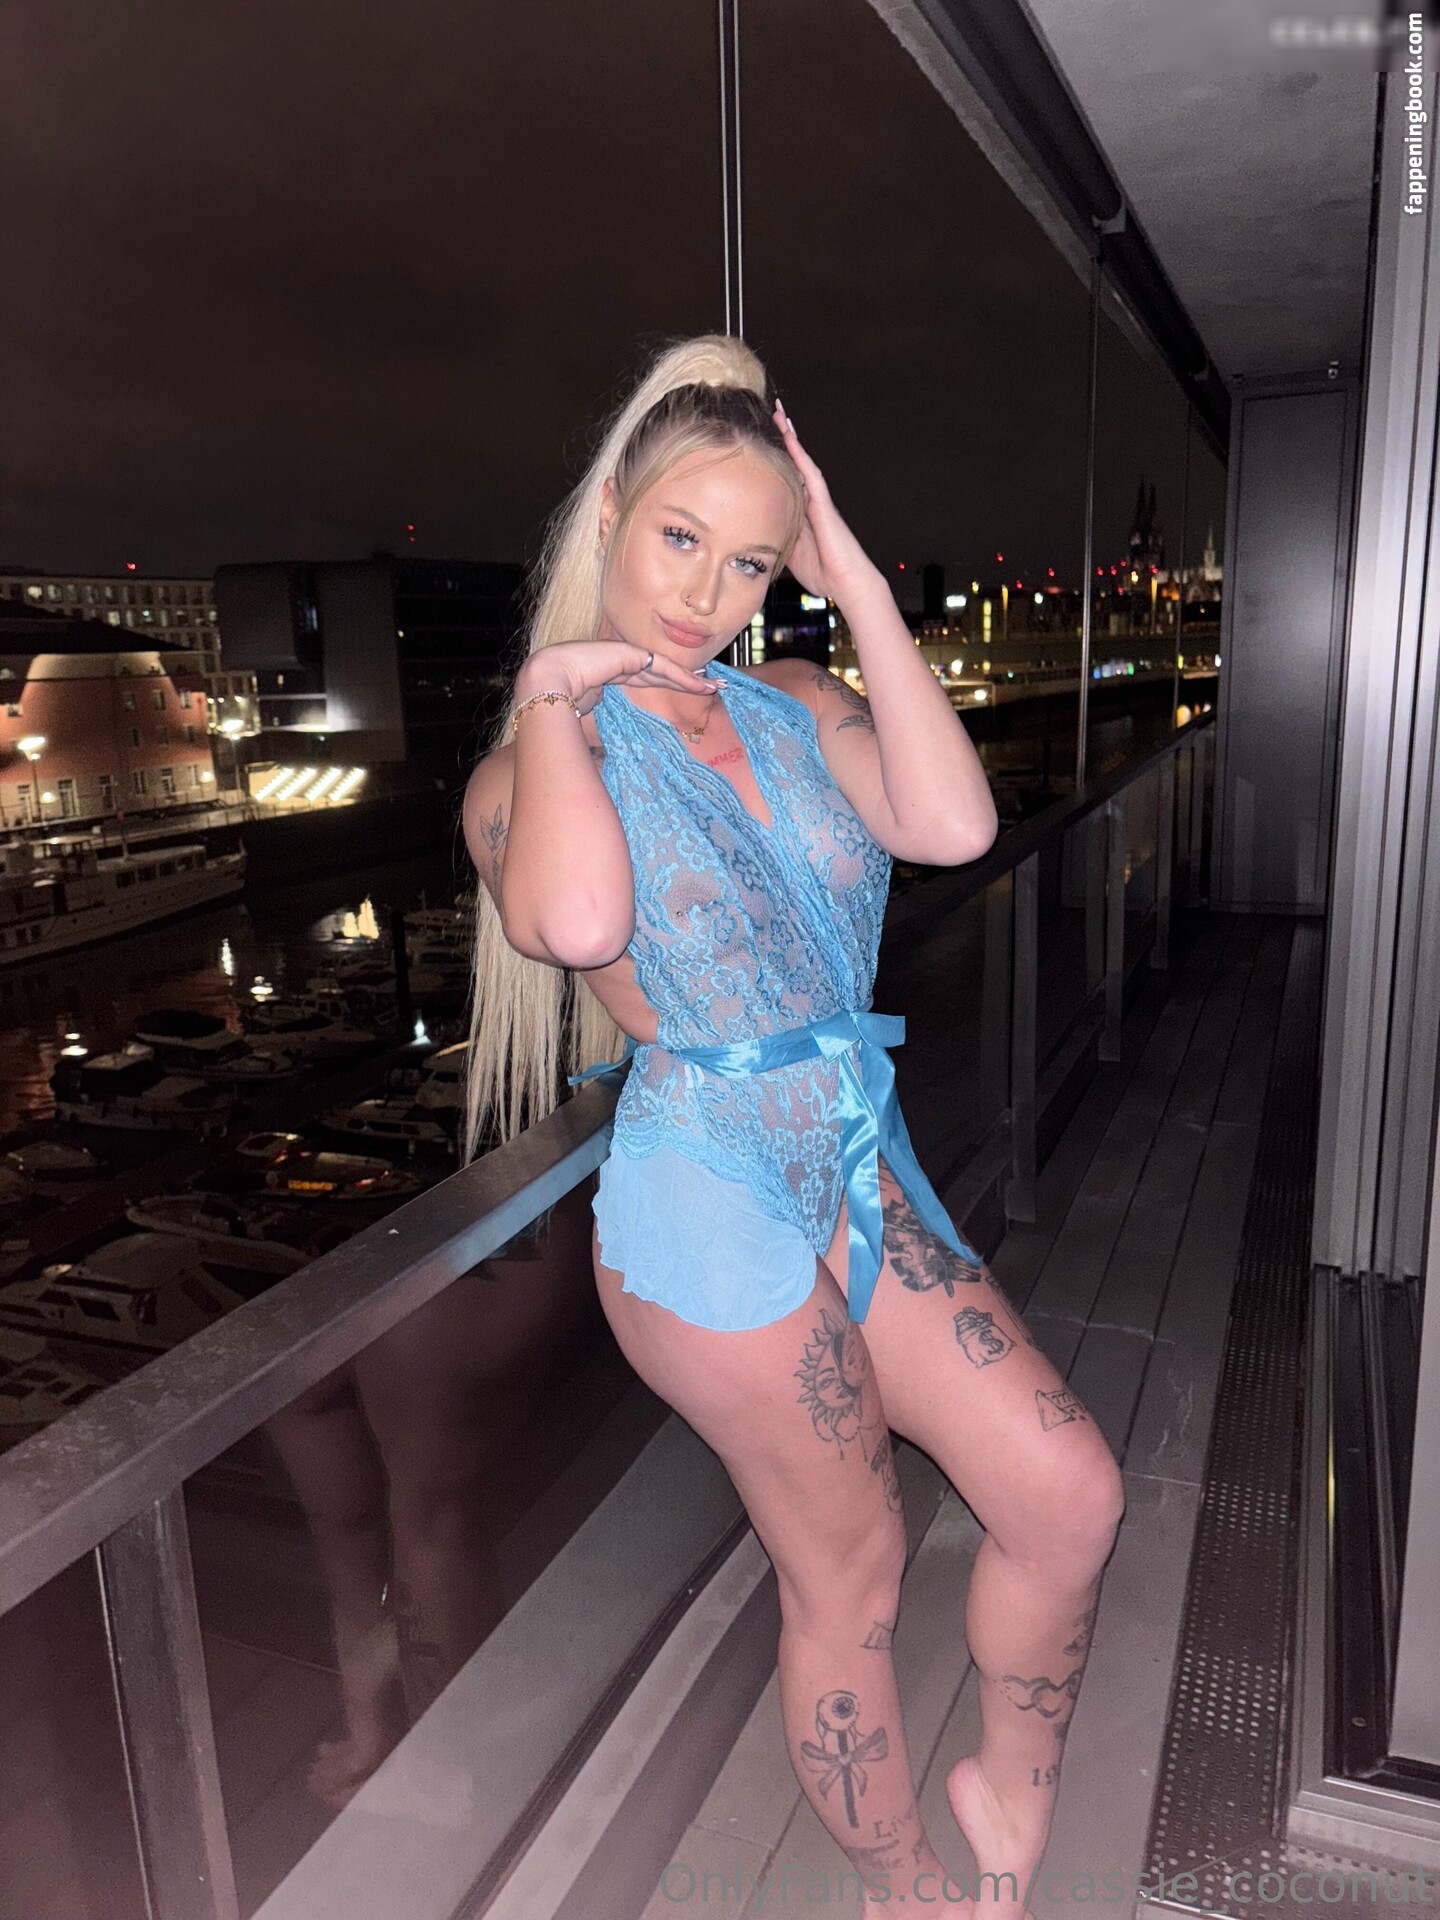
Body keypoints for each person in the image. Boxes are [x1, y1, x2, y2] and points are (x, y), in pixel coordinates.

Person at [461, 333, 1124, 1920]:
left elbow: (952, 822)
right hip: (705, 1203)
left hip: (850, 1162)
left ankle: (1011, 1789)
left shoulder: (796, 696)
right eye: (679, 537)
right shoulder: (526, 771)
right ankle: (899, 1884)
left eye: (749, 562)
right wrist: (553, 697)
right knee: (854, 1570)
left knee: (1067, 1494)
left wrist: (857, 582)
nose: (705, 594)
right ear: (612, 514)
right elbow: (577, 920)